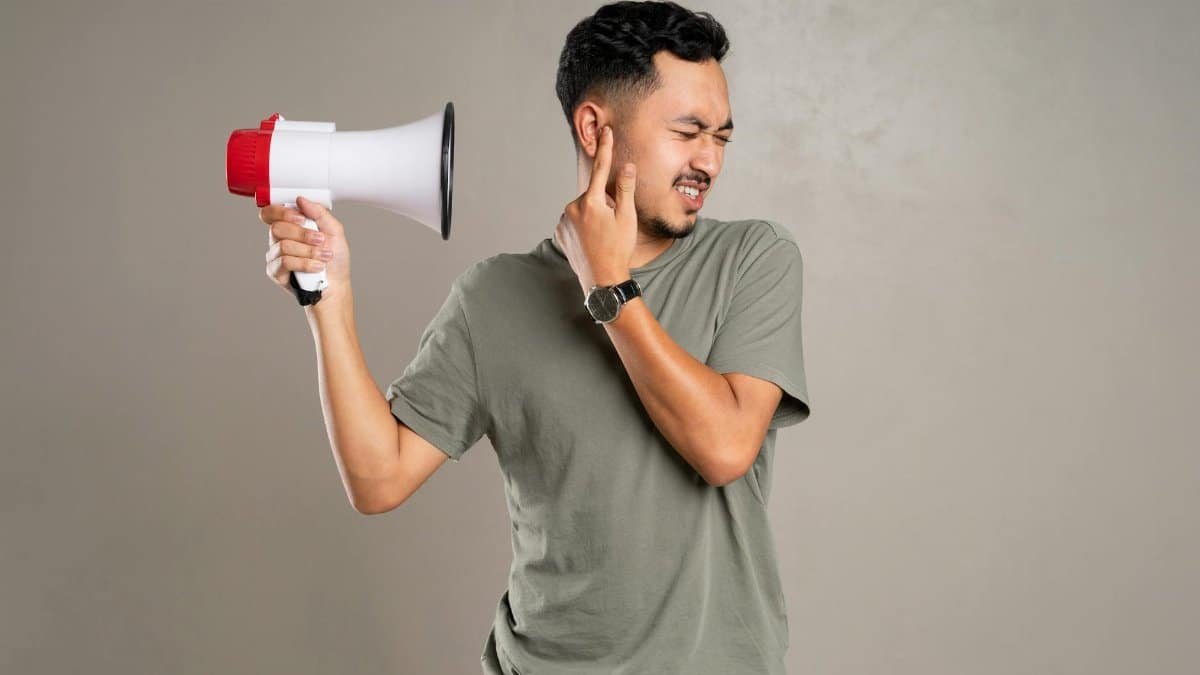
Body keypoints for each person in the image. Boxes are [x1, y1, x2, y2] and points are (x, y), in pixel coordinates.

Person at [258, 2, 811, 672]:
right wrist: (329, 302)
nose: (710, 161)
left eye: (720, 137)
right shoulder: (495, 295)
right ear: (594, 128)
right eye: (688, 132)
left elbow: (724, 448)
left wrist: (607, 284)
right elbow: (379, 479)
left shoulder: (753, 258)